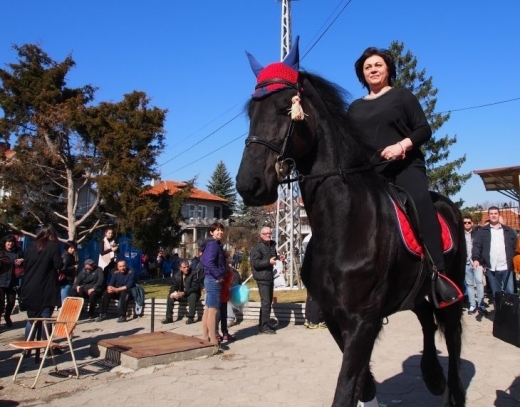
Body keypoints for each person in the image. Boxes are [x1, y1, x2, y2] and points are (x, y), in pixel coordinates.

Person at [346, 47, 458, 306]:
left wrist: (401, 146)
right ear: (362, 75)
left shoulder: (402, 96)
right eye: (367, 67)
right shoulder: (354, 108)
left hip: (405, 167)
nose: (373, 69)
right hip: (371, 174)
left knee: (420, 203)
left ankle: (438, 275)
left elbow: (424, 129)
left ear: (388, 70)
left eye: (378, 65)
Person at [19, 224, 63, 341]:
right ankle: (46, 346)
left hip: (29, 286)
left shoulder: (31, 247)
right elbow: (58, 265)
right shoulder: (53, 247)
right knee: (45, 318)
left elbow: (26, 265)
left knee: (32, 319)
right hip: (46, 287)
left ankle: (27, 347)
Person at [472, 206, 518, 306]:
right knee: (496, 294)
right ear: (488, 216)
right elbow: (476, 246)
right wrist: (476, 259)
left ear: (499, 215)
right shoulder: (482, 232)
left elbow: (516, 246)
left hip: (507, 268)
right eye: (491, 213)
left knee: (509, 293)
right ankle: (500, 317)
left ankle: (510, 317)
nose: (493, 215)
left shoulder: (508, 231)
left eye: (495, 213)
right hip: (492, 269)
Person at [251, 226, 285, 334]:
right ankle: (264, 326)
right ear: (261, 235)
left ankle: (264, 324)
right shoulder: (258, 247)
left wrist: (279, 257)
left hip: (269, 276)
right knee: (266, 302)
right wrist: (268, 262)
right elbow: (255, 263)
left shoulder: (271, 245)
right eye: (265, 234)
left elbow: (272, 257)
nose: (268, 235)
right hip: (262, 277)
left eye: (269, 233)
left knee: (267, 302)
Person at [200, 222, 226, 345]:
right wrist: (219, 275)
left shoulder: (211, 244)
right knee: (213, 311)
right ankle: (213, 340)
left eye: (221, 230)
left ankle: (205, 338)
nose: (220, 232)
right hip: (213, 280)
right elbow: (208, 262)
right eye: (217, 230)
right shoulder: (213, 245)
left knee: (208, 309)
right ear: (211, 232)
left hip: (209, 279)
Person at [161, 260, 201, 325]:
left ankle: (190, 318)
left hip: (192, 293)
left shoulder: (194, 273)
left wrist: (184, 293)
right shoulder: (176, 275)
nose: (187, 269)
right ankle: (169, 318)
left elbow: (195, 287)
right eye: (184, 267)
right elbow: (174, 286)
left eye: (187, 267)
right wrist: (174, 293)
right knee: (170, 296)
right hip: (182, 295)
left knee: (192, 296)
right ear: (180, 268)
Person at [463, 216, 486, 315]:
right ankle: (472, 304)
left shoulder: (477, 234)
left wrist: (484, 263)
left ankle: (481, 304)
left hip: (477, 262)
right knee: (469, 284)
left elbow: (482, 248)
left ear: (472, 223)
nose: (467, 224)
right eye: (465, 222)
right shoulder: (460, 235)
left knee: (480, 282)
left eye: (468, 222)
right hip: (466, 262)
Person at [0, 235, 24, 328]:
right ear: (5, 242)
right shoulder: (1, 252)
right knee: (0, 303)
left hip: (13, 280)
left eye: (12, 242)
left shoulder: (18, 252)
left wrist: (22, 260)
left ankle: (7, 316)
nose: (10, 243)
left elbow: (26, 259)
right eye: (8, 241)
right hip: (1, 280)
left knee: (11, 302)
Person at [216, 266, 236, 342]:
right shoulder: (227, 273)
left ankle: (221, 333)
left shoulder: (225, 273)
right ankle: (222, 333)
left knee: (221, 315)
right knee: (220, 315)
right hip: (221, 295)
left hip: (222, 295)